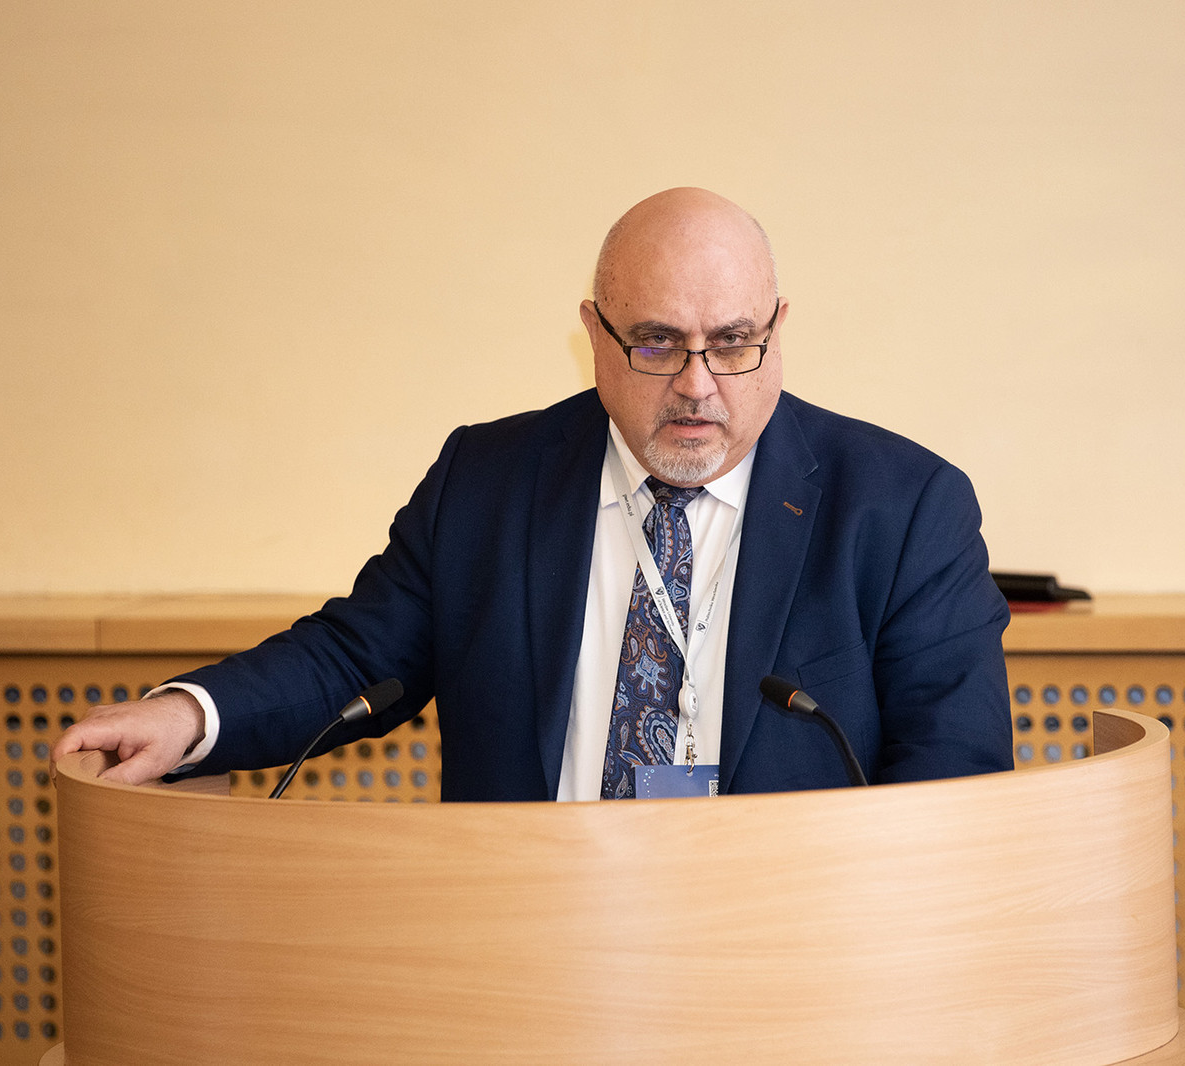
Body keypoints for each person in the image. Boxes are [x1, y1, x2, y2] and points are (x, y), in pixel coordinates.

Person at [52, 187, 1012, 799]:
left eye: (731, 342)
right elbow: (355, 659)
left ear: (776, 327)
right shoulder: (488, 484)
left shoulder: (902, 508)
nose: (698, 383)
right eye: (656, 343)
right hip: (523, 957)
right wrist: (191, 714)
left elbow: (955, 773)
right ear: (593, 335)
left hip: (789, 969)